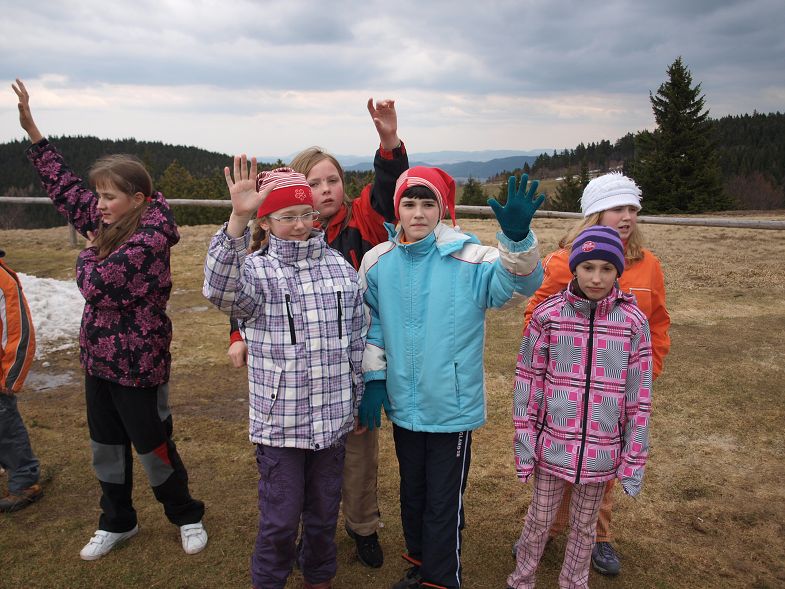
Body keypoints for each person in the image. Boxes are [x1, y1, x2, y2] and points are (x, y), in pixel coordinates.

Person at [13, 79, 206, 560]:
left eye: (108, 196)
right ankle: (117, 521)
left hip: (138, 366)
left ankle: (185, 513)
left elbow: (98, 285)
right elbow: (65, 191)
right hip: (97, 361)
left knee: (153, 445)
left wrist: (86, 255)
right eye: (98, 195)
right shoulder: (109, 223)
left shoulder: (150, 240)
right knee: (105, 445)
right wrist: (35, 134)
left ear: (137, 199)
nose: (98, 204)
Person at [226, 98, 407, 568]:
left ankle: (362, 527)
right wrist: (237, 335)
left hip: (351, 366)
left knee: (358, 454)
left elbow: (388, 192)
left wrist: (389, 144)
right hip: (294, 384)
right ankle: (299, 534)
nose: (325, 191)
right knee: (303, 471)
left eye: (333, 180)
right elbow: (246, 289)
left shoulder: (360, 220)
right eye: (314, 183)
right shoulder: (275, 235)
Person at [358, 168, 545, 589]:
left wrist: (516, 241)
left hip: (451, 407)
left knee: (443, 500)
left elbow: (518, 285)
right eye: (409, 204)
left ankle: (441, 579)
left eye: (428, 204)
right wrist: (375, 377)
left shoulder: (471, 258)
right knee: (413, 491)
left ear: (442, 209)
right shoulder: (378, 262)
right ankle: (420, 562)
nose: (418, 213)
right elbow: (372, 323)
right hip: (404, 403)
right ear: (397, 209)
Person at [204, 164, 366, 589]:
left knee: (323, 515)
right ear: (266, 222)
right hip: (280, 425)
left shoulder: (339, 269)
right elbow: (219, 290)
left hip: (333, 421)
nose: (299, 225)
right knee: (280, 519)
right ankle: (269, 579)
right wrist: (237, 219)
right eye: (287, 216)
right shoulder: (256, 272)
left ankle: (318, 577)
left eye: (305, 214)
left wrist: (357, 400)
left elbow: (355, 341)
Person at [520, 171, 670, 576]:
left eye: (633, 209)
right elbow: (537, 313)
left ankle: (598, 538)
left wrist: (645, 372)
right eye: (617, 208)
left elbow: (657, 323)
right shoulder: (564, 261)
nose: (627, 217)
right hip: (567, 386)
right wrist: (551, 365)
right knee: (558, 463)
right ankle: (547, 530)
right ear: (595, 214)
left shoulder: (648, 265)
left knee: (601, 469)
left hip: (615, 390)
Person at [507, 226, 653, 589]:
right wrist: (526, 443)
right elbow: (528, 381)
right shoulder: (548, 316)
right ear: (574, 268)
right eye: (588, 267)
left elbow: (638, 396)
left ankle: (574, 581)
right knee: (539, 520)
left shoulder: (633, 323)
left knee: (585, 527)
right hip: (552, 447)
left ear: (618, 271)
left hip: (602, 453)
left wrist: (633, 456)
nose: (597, 278)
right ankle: (522, 579)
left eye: (607, 268)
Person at [0, 248, 41, 513]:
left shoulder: (3, 280)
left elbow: (18, 330)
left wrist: (11, 376)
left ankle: (25, 482)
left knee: (5, 430)